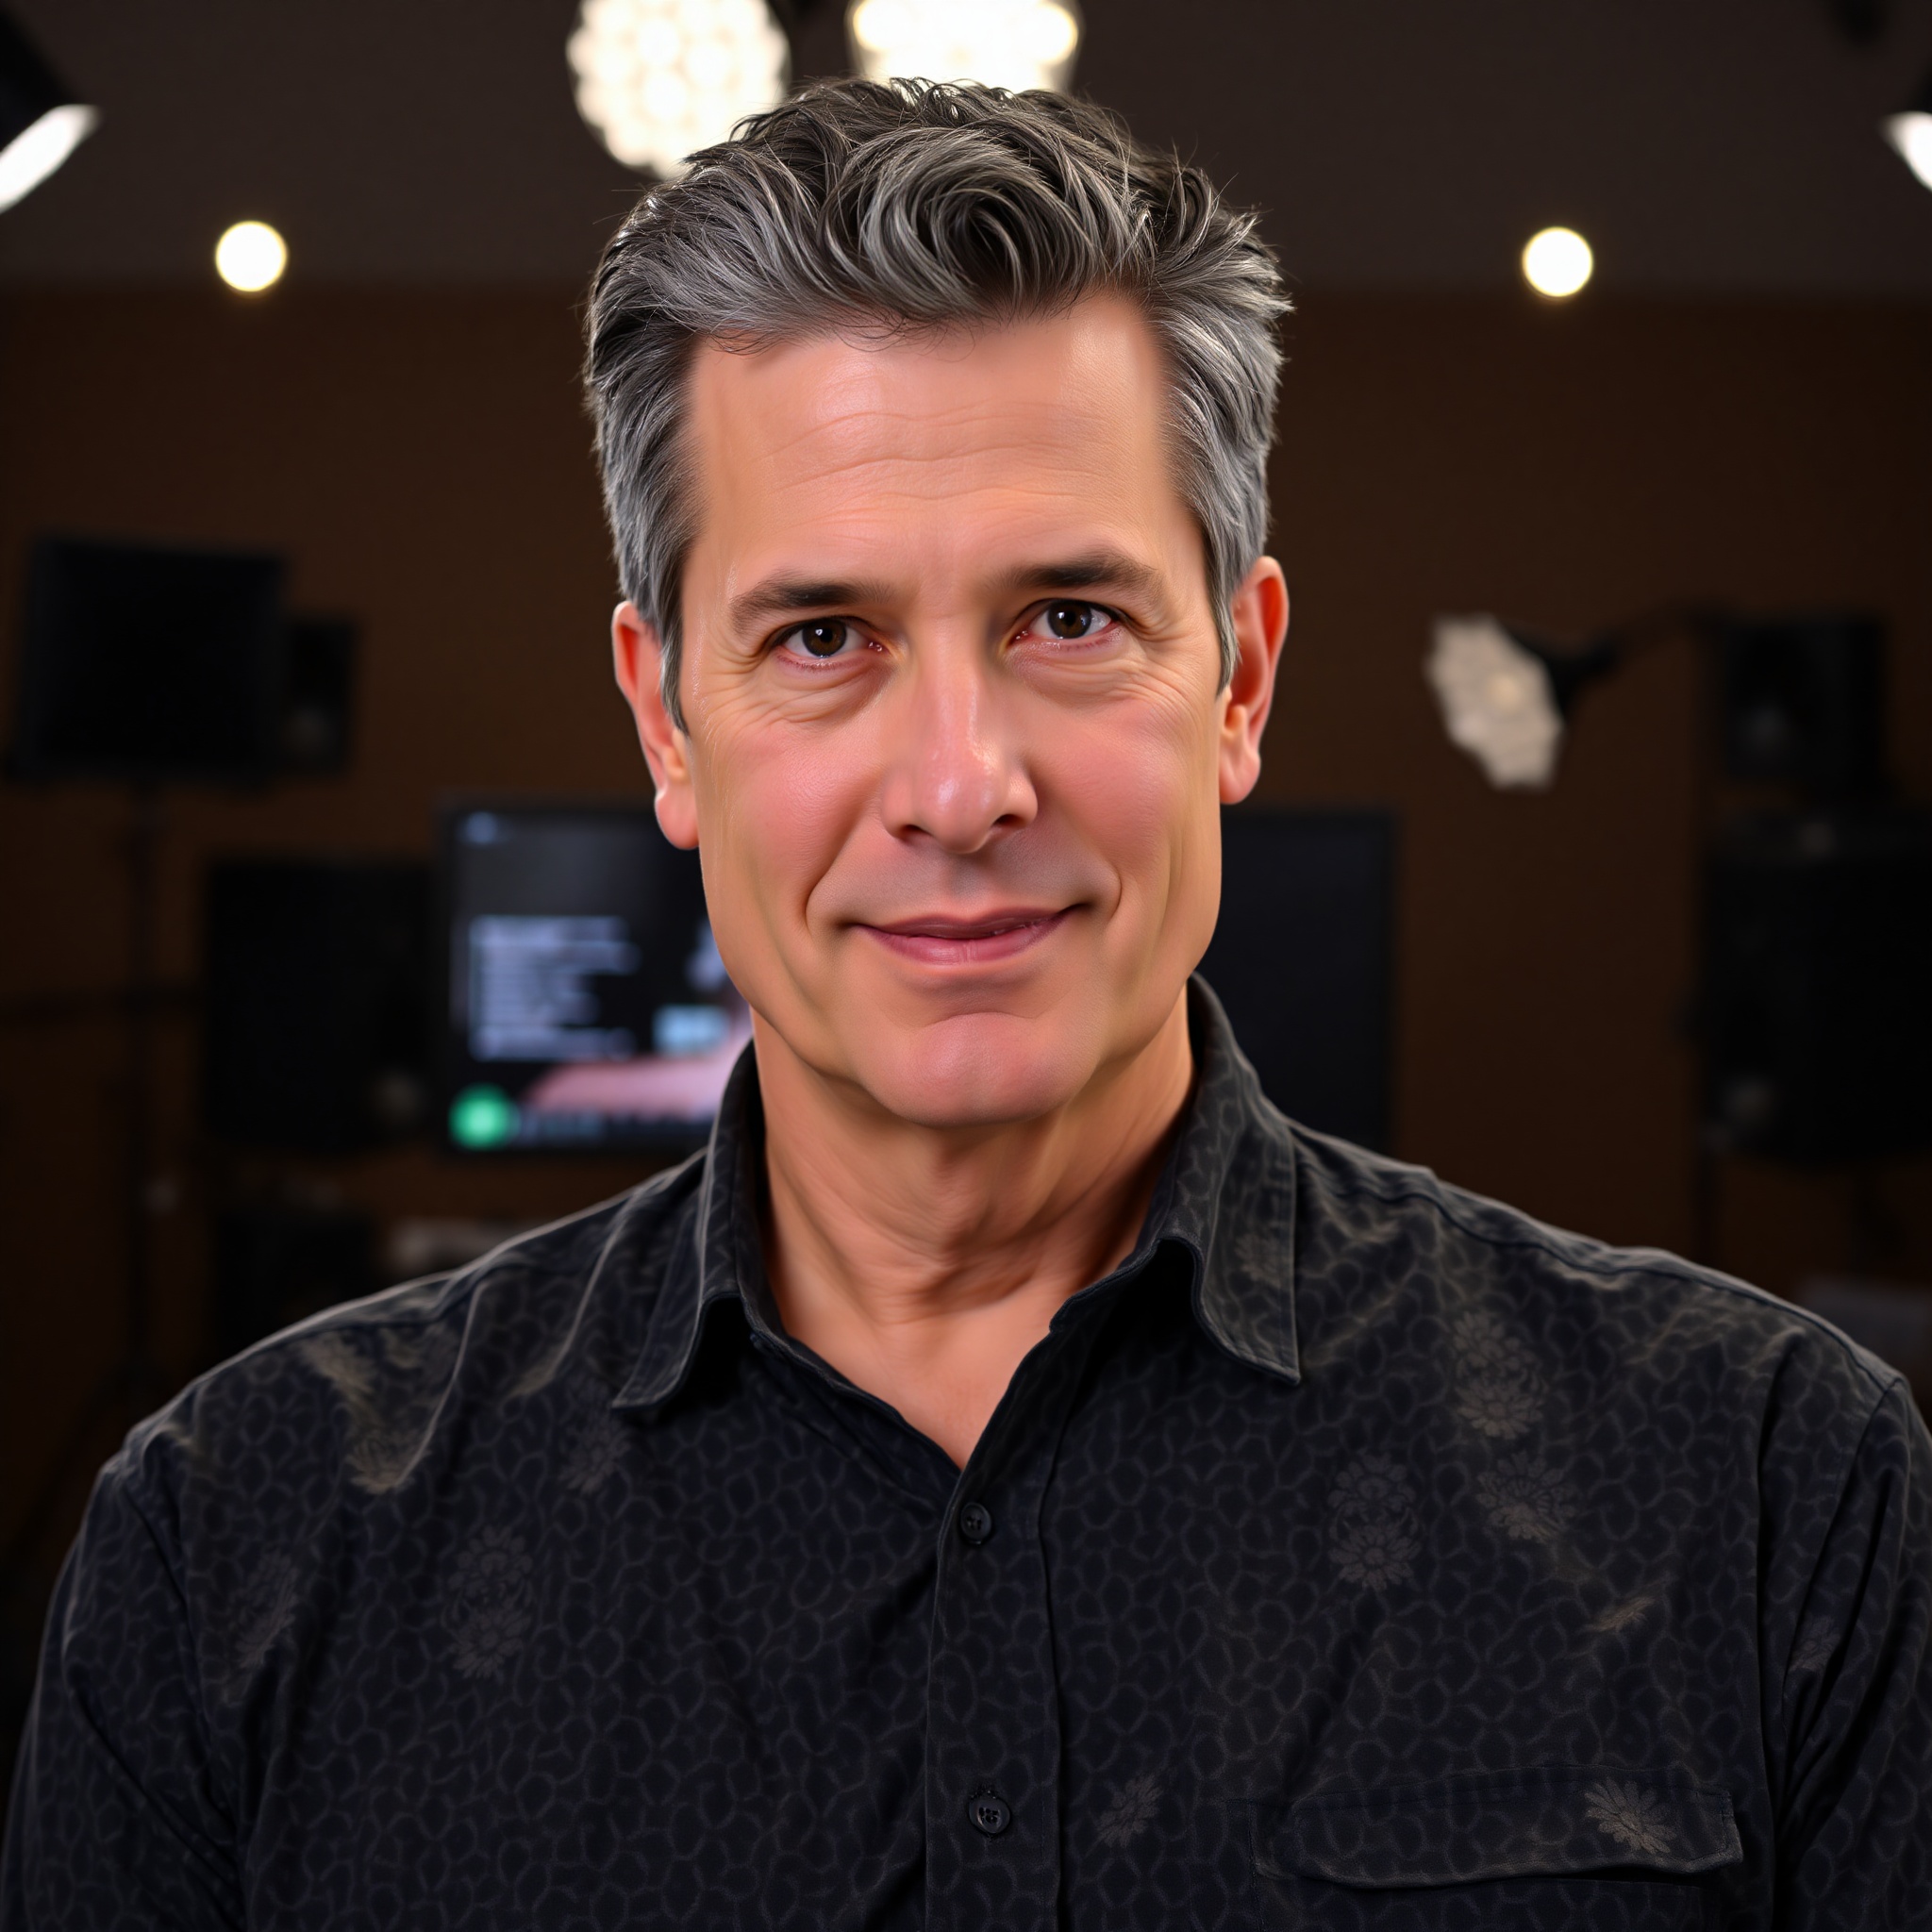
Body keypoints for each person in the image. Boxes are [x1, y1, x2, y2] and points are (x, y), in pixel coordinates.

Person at [5, 78, 1929, 1932]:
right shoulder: (234, 1553)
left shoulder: (1758, 1496)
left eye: (1068, 620)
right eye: (822, 636)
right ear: (666, 720)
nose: (957, 782)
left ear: (1241, 679)